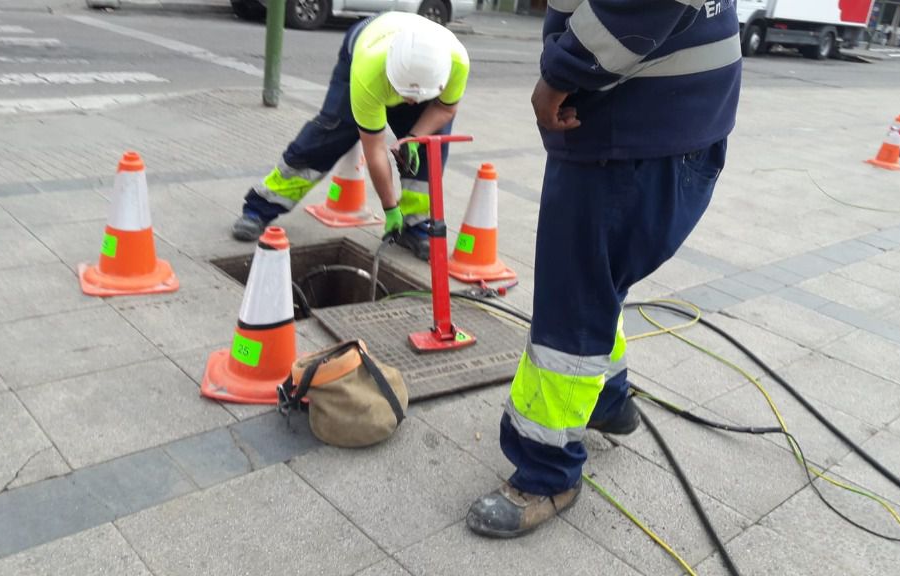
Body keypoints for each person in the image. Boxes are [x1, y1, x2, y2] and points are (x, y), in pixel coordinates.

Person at [466, 0, 742, 538]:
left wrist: (559, 75)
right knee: (596, 283)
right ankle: (609, 401)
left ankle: (547, 474)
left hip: (630, 132)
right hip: (674, 124)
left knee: (570, 309)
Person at [232, 12, 470, 261]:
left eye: (415, 98)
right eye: (404, 93)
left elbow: (445, 108)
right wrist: (389, 208)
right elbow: (375, 149)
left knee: (429, 147)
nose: (409, 102)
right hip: (366, 45)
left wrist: (413, 137)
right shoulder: (369, 68)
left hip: (417, 73)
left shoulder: (456, 62)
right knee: (329, 134)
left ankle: (416, 225)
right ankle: (260, 207)